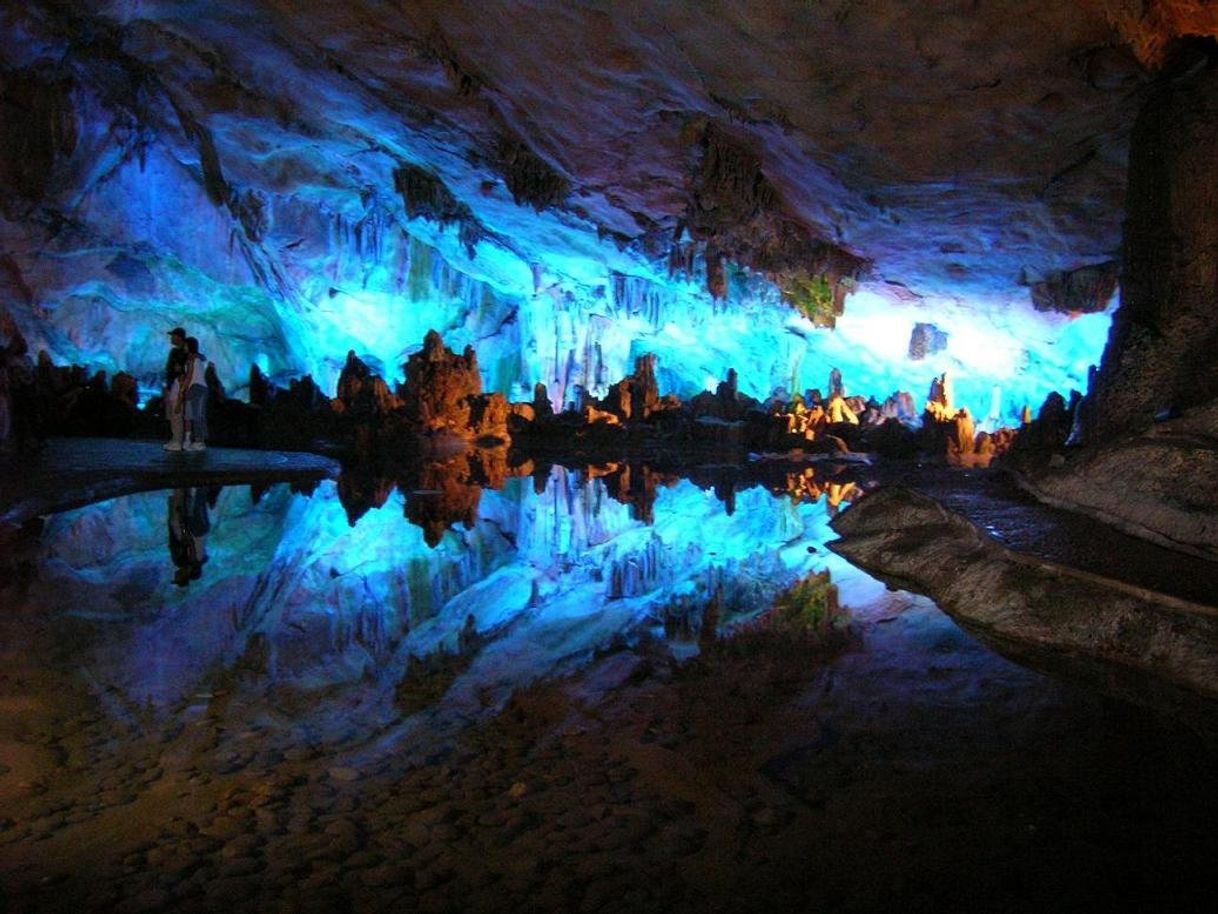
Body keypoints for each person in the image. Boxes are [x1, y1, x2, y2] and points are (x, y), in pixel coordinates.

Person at [180, 336, 209, 451]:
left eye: (186, 345)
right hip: (193, 388)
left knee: (197, 414)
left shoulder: (193, 358)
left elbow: (190, 375)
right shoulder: (194, 358)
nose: (184, 347)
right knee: (189, 415)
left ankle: (199, 441)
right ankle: (189, 440)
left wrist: (182, 389)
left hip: (198, 387)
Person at [163, 327, 189, 451]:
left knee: (176, 412)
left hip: (178, 383)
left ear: (179, 337)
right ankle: (175, 439)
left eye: (173, 336)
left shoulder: (182, 352)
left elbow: (181, 370)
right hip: (172, 383)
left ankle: (178, 441)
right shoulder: (175, 351)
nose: (171, 338)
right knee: (173, 414)